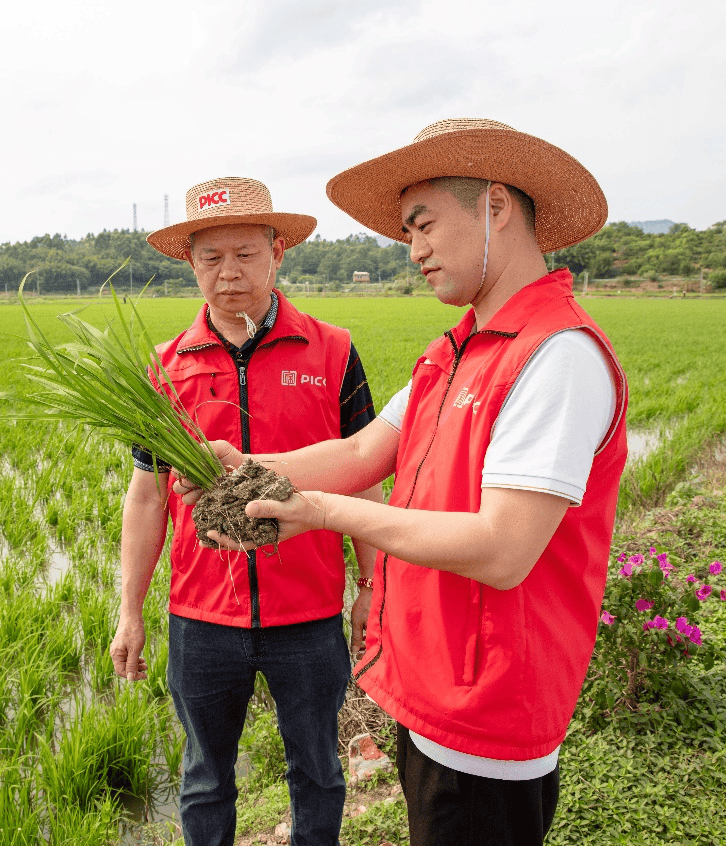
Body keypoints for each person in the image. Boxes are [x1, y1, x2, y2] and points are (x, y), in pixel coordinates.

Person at [183, 120, 629, 846]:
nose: (413, 249)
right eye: (406, 232)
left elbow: (502, 548)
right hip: (433, 689)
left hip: (489, 712)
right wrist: (240, 467)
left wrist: (322, 512)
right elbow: (362, 451)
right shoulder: (453, 354)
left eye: (423, 225)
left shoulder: (556, 356)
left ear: (494, 206)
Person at [108, 176, 382, 846]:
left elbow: (363, 475)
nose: (228, 273)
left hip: (308, 611)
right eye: (211, 257)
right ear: (190, 262)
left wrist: (371, 585)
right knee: (205, 776)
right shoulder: (165, 367)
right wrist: (129, 610)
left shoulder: (332, 350)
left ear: (277, 252)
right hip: (202, 617)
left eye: (245, 254)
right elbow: (147, 494)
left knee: (317, 769)